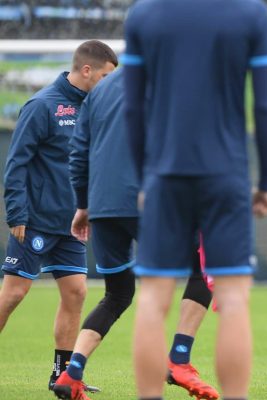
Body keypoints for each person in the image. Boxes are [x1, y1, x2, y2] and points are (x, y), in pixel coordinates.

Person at [121, 0, 267, 399]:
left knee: (154, 299)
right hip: (225, 175)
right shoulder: (250, 14)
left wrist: (144, 179)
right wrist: (262, 182)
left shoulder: (144, 14)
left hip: (164, 175)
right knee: (233, 299)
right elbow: (262, 107)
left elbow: (133, 108)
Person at [51, 68, 219, 400]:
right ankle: (179, 361)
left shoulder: (99, 90)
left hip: (103, 207)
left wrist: (84, 205)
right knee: (205, 265)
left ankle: (72, 374)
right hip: (150, 199)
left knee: (117, 293)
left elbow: (79, 151)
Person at [0, 40, 117, 392]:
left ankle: (62, 376)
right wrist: (16, 213)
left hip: (70, 224)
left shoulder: (95, 108)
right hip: (33, 221)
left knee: (77, 293)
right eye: (106, 76)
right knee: (13, 295)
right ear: (86, 71)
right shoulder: (42, 105)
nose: (111, 83)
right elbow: (16, 164)